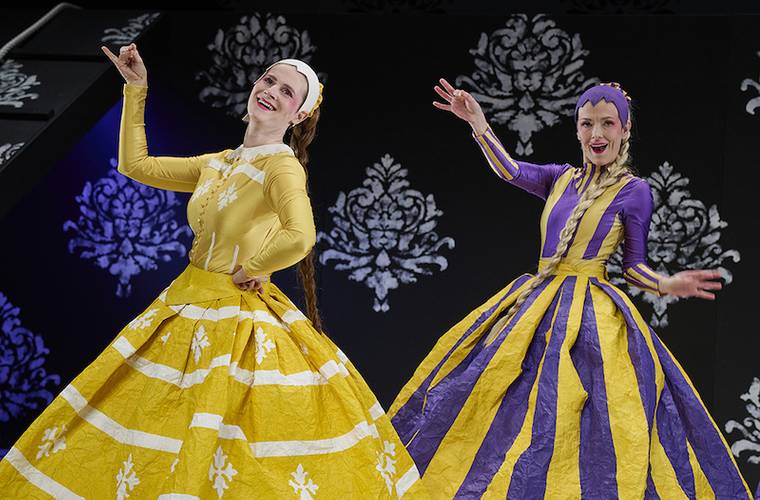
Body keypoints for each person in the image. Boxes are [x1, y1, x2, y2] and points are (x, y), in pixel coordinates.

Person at [0, 43, 425, 498]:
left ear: (299, 115)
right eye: (268, 80)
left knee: (221, 445)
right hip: (182, 306)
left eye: (287, 92)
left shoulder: (281, 167)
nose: (271, 91)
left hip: (235, 321)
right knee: (153, 428)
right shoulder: (219, 162)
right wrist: (136, 89)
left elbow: (300, 236)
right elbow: (135, 165)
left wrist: (253, 267)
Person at [389, 79, 752, 498]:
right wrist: (478, 123)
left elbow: (633, 268)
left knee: (585, 418)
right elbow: (510, 170)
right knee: (496, 402)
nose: (597, 133)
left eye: (607, 123)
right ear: (577, 129)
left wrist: (667, 284)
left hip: (591, 321)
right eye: (587, 123)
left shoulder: (634, 192)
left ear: (625, 129)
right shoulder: (560, 178)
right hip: (533, 307)